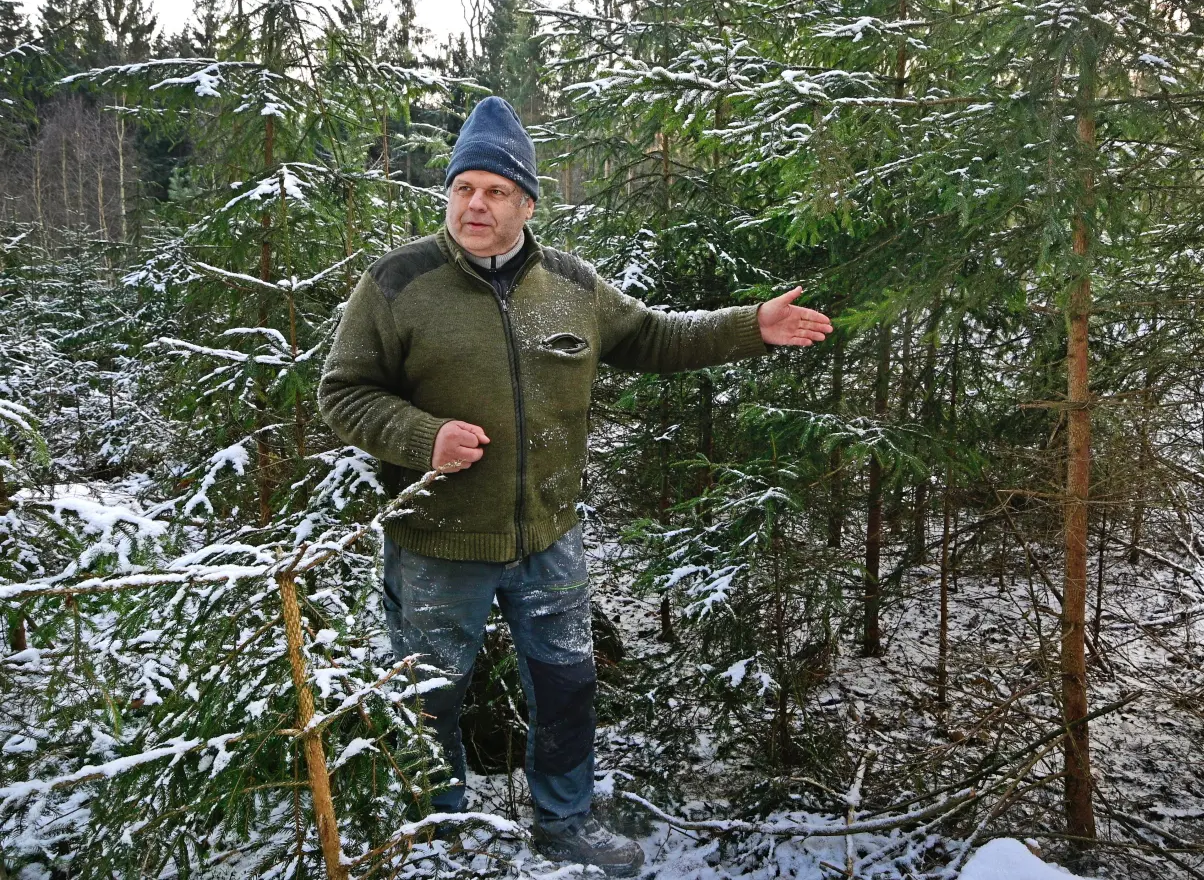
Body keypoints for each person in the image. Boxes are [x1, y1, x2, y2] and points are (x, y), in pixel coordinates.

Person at [317, 96, 832, 876]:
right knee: (429, 698)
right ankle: (438, 836)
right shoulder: (396, 284)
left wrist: (747, 326)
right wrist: (427, 438)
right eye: (463, 189)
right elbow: (344, 392)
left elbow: (654, 336)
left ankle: (564, 824)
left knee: (566, 686)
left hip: (549, 538)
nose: (476, 205)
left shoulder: (572, 285)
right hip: (438, 544)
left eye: (495, 191)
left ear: (527, 202)